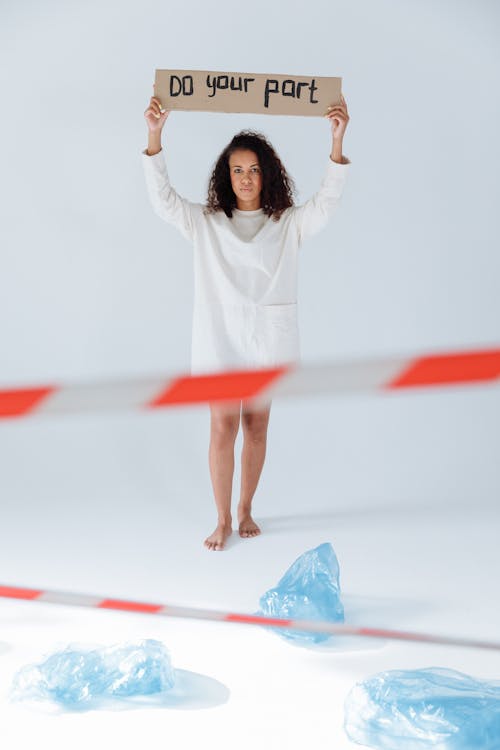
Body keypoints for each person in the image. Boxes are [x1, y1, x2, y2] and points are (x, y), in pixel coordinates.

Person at [143, 92, 350, 551]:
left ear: (267, 174)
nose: (246, 178)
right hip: (220, 339)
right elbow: (163, 201)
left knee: (256, 427)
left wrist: (335, 144)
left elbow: (325, 205)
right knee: (222, 427)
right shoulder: (207, 222)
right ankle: (221, 518)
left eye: (253, 169)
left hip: (267, 341)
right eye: (237, 170)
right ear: (226, 176)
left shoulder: (287, 223)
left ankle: (246, 509)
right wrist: (155, 136)